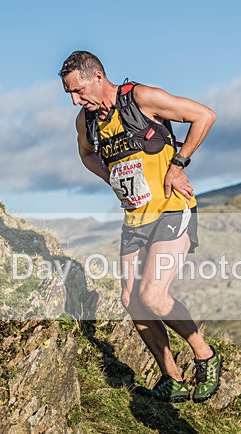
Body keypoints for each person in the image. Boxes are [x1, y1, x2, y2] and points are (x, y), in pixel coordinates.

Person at [60, 51, 220, 403]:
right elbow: (86, 154)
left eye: (78, 90)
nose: (75, 99)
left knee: (152, 296)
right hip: (134, 217)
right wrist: (110, 179)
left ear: (98, 77)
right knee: (132, 300)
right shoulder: (86, 122)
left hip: (171, 209)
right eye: (69, 94)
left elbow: (204, 116)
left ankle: (205, 356)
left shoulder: (140, 98)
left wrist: (178, 165)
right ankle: (172, 378)